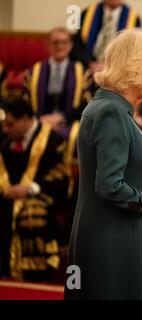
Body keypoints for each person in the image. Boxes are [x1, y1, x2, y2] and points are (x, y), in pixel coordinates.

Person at [65, 29, 142, 300]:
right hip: (115, 241)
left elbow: (125, 176)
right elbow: (109, 185)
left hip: (123, 234)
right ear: (133, 66)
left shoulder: (115, 109)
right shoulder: (111, 111)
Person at [0, 98, 68, 281]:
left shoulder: (54, 141)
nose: (5, 130)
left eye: (10, 125)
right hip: (9, 196)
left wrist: (30, 189)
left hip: (44, 194)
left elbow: (62, 179)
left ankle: (34, 277)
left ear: (24, 119)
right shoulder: (6, 142)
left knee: (31, 215)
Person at [23, 27, 91, 138]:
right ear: (48, 45)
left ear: (71, 45)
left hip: (71, 123)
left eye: (64, 42)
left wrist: (62, 117)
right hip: (40, 122)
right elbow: (25, 104)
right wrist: (41, 119)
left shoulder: (83, 73)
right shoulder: (32, 73)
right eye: (55, 42)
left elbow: (88, 105)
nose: (60, 46)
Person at [71, 0, 141, 70]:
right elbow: (78, 44)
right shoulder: (86, 14)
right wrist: (90, 63)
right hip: (89, 67)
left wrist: (109, 65)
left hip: (117, 69)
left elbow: (132, 50)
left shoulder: (134, 19)